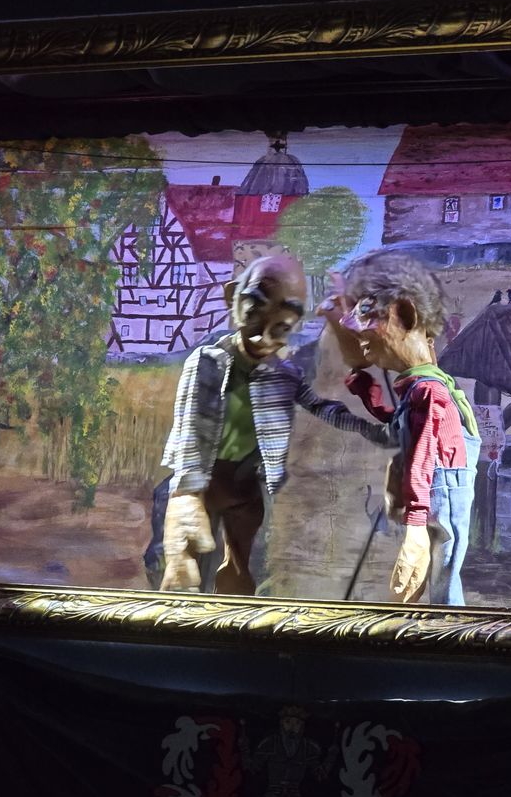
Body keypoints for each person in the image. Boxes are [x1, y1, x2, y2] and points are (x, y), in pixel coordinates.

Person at [159, 254, 390, 595]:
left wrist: (369, 428)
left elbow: (320, 406)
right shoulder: (206, 362)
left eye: (281, 326)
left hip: (244, 485)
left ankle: (234, 620)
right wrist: (187, 492)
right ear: (233, 297)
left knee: (239, 565)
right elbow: (190, 426)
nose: (265, 335)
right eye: (255, 312)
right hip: (204, 481)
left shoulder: (284, 374)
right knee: (186, 568)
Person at [320, 250, 480, 606]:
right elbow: (400, 423)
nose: (355, 328)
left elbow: (424, 455)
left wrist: (417, 522)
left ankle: (449, 626)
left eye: (366, 312)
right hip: (428, 492)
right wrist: (366, 391)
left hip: (442, 492)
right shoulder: (419, 389)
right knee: (422, 574)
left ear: (405, 315)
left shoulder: (431, 391)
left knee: (443, 573)